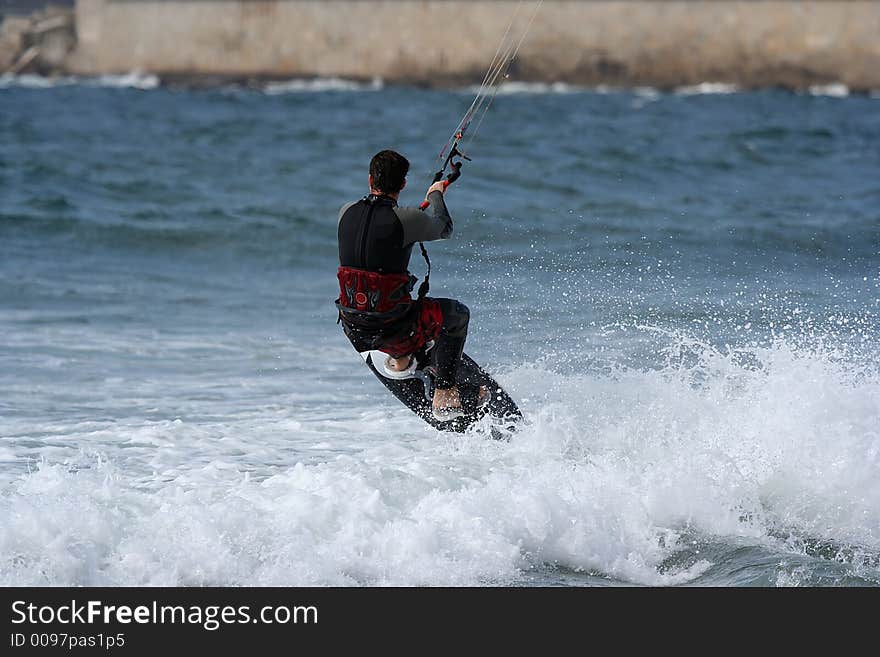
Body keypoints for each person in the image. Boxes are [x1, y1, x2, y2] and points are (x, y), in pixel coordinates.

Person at [335, 149, 487, 420]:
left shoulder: (345, 212)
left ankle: (402, 361)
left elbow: (378, 236)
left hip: (353, 325)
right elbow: (443, 227)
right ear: (403, 184)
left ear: (370, 180)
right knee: (457, 316)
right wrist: (436, 194)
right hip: (393, 326)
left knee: (394, 299)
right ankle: (445, 393)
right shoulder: (407, 220)